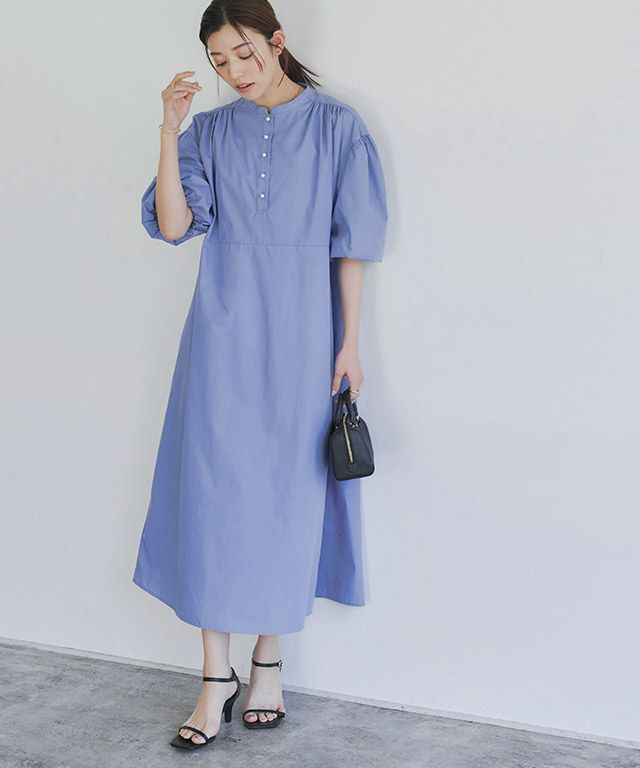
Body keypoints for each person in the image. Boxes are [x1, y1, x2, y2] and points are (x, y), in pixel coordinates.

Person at [131, 0, 388, 751]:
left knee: (287, 496)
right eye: (219, 61)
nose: (234, 72)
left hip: (305, 336)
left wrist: (350, 344)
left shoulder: (338, 127)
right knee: (212, 496)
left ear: (277, 41)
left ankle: (267, 661)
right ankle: (215, 676)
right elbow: (174, 225)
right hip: (222, 335)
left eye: (243, 53)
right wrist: (169, 131)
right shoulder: (209, 133)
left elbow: (352, 244)